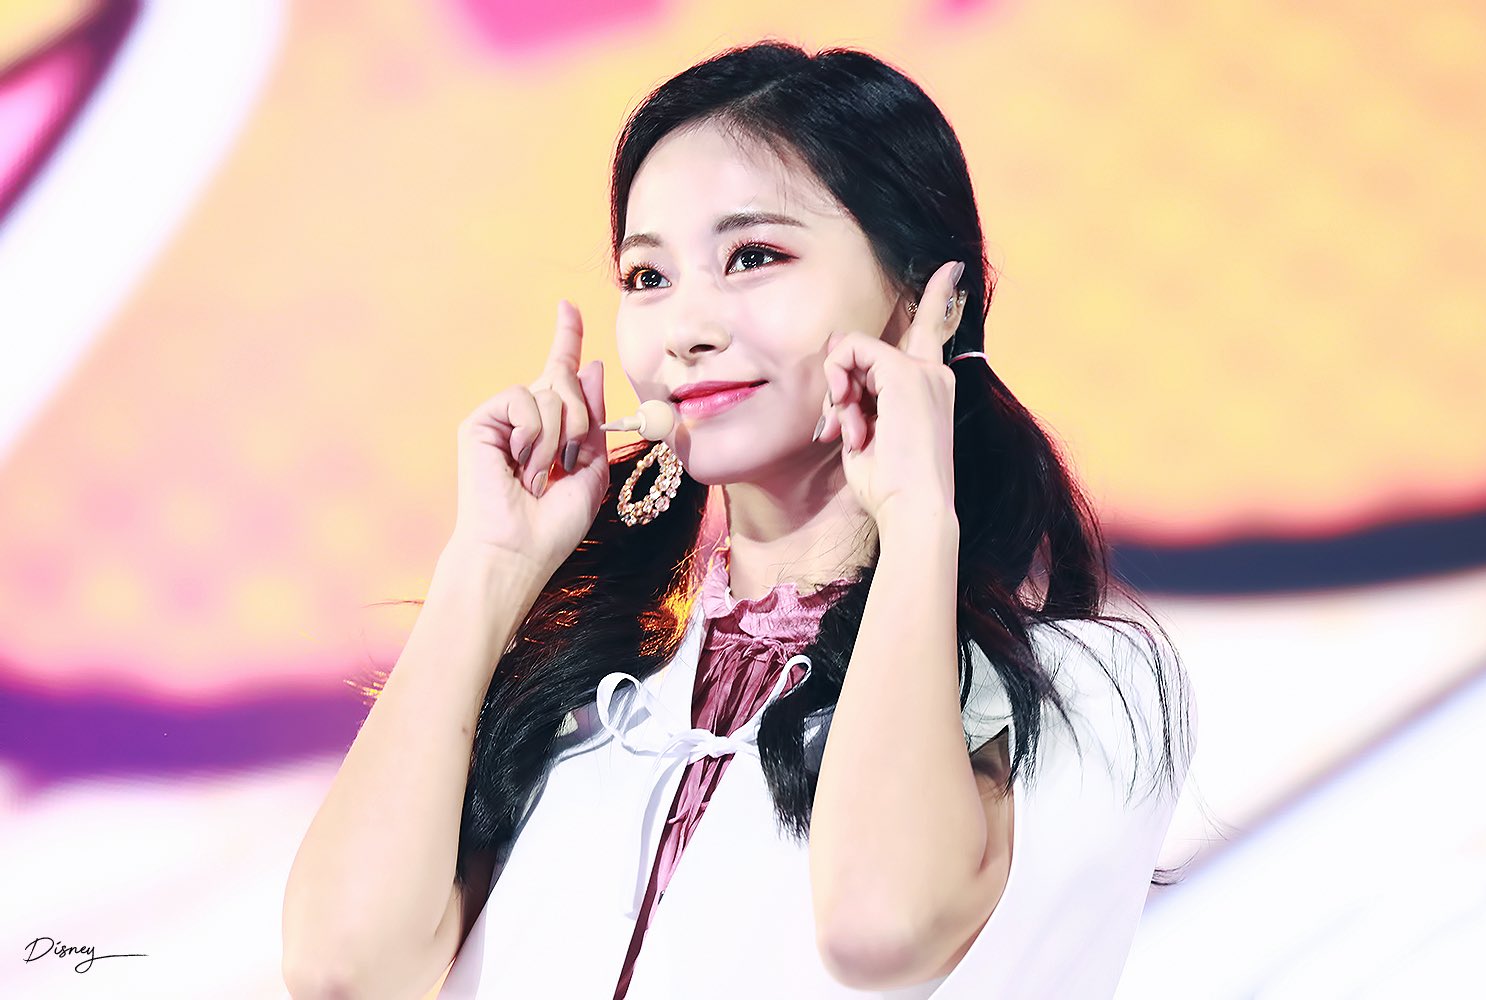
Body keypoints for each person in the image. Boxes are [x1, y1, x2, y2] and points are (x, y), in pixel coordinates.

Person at [282, 40, 1196, 1000]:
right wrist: (490, 565)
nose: (685, 330)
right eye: (648, 277)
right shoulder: (587, 696)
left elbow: (880, 932)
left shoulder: (1080, 686)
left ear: (928, 296)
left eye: (754, 257)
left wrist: (919, 519)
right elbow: (344, 969)